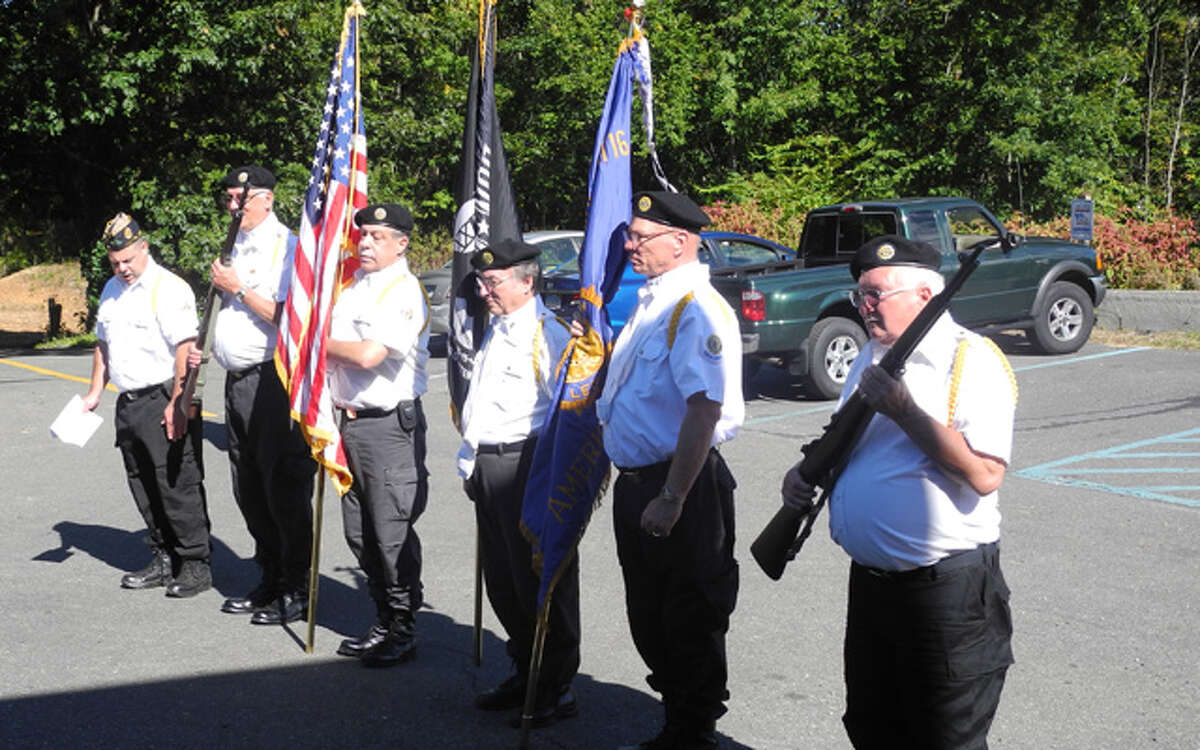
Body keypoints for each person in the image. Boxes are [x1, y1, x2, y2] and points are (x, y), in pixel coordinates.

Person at [779, 234, 1017, 749]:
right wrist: (805, 473)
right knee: (872, 727)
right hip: (873, 587)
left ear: (925, 296)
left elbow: (984, 475)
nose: (863, 307)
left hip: (945, 593)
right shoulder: (870, 355)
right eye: (859, 295)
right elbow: (847, 443)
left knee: (945, 736)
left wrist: (906, 412)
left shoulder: (971, 360)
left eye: (875, 294)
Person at [597, 191, 745, 750]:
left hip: (680, 484)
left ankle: (692, 728)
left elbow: (704, 408)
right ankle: (676, 714)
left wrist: (674, 495)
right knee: (649, 610)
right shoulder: (652, 301)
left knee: (688, 614)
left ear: (680, 241)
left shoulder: (695, 308)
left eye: (640, 236)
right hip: (642, 482)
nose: (629, 245)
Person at [459, 237, 580, 728]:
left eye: (494, 282)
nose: (485, 291)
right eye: (483, 282)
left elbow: (566, 417)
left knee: (540, 580)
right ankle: (523, 669)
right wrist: (470, 463)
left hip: (526, 469)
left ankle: (554, 685)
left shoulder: (546, 334)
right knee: (503, 583)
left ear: (527, 281)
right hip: (490, 467)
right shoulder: (499, 328)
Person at [196, 165, 316, 625]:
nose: (232, 207)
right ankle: (269, 576)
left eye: (240, 199)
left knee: (283, 487)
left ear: (265, 199)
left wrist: (238, 289)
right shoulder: (237, 242)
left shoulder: (287, 247)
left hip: (275, 379)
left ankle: (296, 586)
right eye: (228, 198)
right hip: (238, 381)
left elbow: (293, 317)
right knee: (248, 487)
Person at [82, 212, 212, 598]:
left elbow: (184, 348)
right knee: (142, 482)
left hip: (163, 395)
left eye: (128, 260)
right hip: (129, 401)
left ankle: (194, 564)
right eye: (115, 262)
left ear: (144, 247)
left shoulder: (168, 288)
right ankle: (161, 556)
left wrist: (177, 402)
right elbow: (103, 345)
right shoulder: (110, 289)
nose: (122, 268)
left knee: (176, 483)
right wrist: (94, 392)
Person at [326, 203, 430, 667]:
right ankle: (383, 616)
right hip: (348, 422)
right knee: (359, 532)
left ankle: (403, 624)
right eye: (363, 235)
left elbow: (370, 355)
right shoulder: (355, 287)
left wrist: (313, 343)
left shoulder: (403, 291)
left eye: (378, 237)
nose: (365, 243)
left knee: (390, 533)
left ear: (402, 243)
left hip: (387, 426)